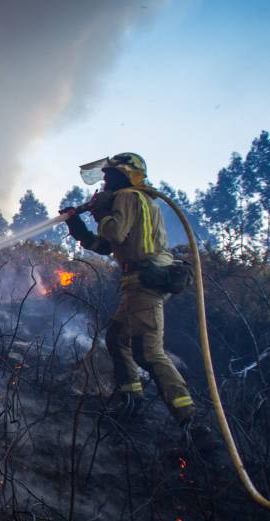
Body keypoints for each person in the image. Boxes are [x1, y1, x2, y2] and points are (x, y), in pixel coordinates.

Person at [61, 153, 212, 444]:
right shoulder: (133, 200)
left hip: (145, 282)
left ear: (126, 176)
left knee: (148, 352)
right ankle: (131, 399)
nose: (105, 181)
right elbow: (105, 246)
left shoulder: (128, 197)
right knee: (116, 338)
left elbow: (115, 232)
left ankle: (190, 420)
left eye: (110, 176)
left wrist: (100, 213)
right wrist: (76, 226)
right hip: (139, 282)